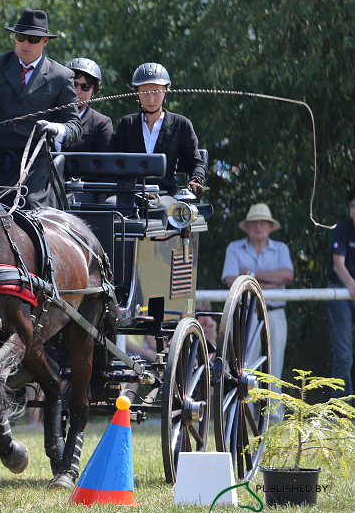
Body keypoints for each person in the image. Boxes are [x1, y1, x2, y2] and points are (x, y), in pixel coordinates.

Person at [0, 8, 82, 209]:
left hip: (34, 165)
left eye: (33, 39)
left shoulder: (62, 76)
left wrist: (55, 128)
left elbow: (74, 127)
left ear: (45, 41)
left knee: (31, 210)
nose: (26, 43)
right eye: (21, 37)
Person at [222, 204, 293, 422]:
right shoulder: (234, 248)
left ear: (270, 226)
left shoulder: (280, 248)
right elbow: (230, 280)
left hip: (275, 314)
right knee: (243, 370)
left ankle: (274, 421)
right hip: (246, 315)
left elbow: (287, 275)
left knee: (274, 368)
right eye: (254, 222)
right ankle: (243, 420)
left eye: (263, 222)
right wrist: (267, 283)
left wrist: (251, 276)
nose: (258, 226)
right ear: (247, 226)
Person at [113, 63, 206, 200]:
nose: (151, 99)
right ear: (137, 93)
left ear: (165, 91)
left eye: (156, 92)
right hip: (132, 195)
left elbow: (196, 163)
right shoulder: (126, 124)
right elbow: (116, 162)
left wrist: (196, 180)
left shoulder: (181, 124)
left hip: (166, 195)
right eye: (144, 93)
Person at [325, 193, 355, 402]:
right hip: (340, 292)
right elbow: (338, 264)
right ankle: (343, 413)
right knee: (344, 355)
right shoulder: (342, 228)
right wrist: (352, 285)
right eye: (353, 207)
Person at [63, 58, 114, 153]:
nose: (77, 91)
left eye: (85, 87)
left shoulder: (101, 124)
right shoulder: (49, 116)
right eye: (74, 84)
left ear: (95, 92)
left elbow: (105, 164)